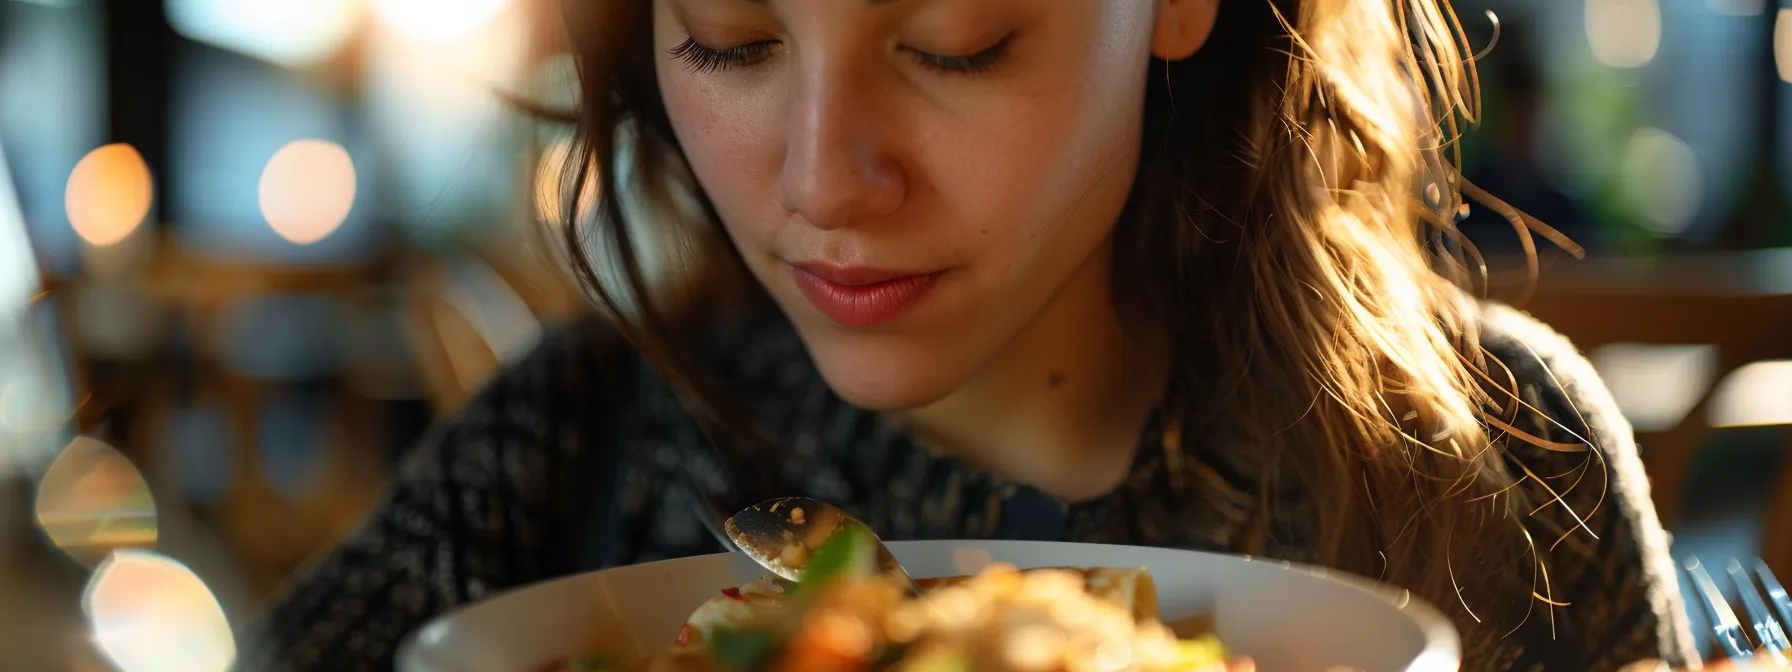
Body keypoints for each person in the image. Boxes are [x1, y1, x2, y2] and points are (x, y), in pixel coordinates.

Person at [242, 0, 1700, 670]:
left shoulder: (1504, 466)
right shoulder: (553, 467)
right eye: (731, 43)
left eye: (955, 44)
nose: (821, 180)